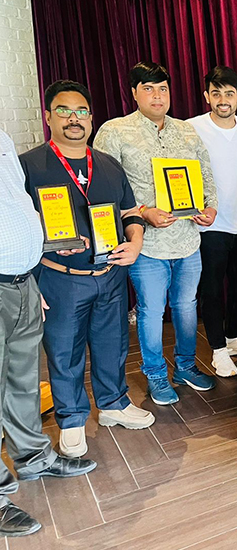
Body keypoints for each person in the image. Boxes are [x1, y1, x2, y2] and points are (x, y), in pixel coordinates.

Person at [20, 80, 153, 458]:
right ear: (49, 117)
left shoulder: (108, 165)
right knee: (64, 352)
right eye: (64, 111)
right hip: (60, 279)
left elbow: (130, 213)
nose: (73, 119)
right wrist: (32, 279)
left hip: (110, 274)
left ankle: (113, 404)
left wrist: (135, 243)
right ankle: (72, 420)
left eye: (81, 111)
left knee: (113, 344)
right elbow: (14, 225)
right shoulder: (27, 166)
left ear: (92, 118)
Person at [94, 61, 219, 405]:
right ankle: (156, 375)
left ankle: (185, 367)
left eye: (163, 88)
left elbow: (206, 176)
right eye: (148, 89)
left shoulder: (187, 131)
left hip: (187, 239)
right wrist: (143, 212)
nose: (157, 96)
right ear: (134, 92)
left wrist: (210, 207)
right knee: (151, 310)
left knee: (186, 306)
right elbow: (103, 190)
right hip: (146, 243)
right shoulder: (114, 131)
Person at [0, 129, 97, 537]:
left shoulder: (3, 138)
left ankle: (32, 457)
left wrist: (41, 250)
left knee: (23, 381)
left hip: (22, 280)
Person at [187, 66, 237, 378]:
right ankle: (217, 349)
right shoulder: (191, 128)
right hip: (209, 225)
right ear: (207, 96)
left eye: (229, 93)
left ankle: (232, 337)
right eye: (216, 93)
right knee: (212, 290)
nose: (223, 100)